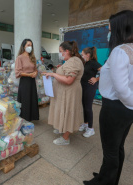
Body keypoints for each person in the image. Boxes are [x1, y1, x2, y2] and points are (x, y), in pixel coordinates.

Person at [84, 10, 133, 185]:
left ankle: (105, 182)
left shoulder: (120, 51)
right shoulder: (131, 49)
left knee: (111, 151)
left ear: (120, 28)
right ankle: (109, 178)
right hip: (125, 109)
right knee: (118, 148)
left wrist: (129, 103)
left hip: (115, 107)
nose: (108, 33)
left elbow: (121, 88)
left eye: (111, 29)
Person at [43, 41, 84, 145]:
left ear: (67, 51)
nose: (60, 54)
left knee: (69, 112)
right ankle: (62, 127)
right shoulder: (71, 60)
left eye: (61, 52)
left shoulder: (74, 61)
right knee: (63, 111)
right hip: (65, 93)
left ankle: (65, 138)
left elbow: (69, 80)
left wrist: (53, 74)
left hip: (70, 93)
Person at [79, 47, 102, 137]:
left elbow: (106, 71)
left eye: (83, 54)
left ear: (88, 55)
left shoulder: (94, 63)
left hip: (90, 87)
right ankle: (85, 123)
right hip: (84, 87)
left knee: (88, 107)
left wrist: (96, 79)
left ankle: (91, 129)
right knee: (84, 106)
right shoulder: (87, 63)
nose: (82, 55)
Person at [15, 38, 39, 121]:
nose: (30, 47)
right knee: (25, 100)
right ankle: (25, 118)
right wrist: (29, 74)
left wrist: (35, 72)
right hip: (25, 81)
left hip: (32, 81)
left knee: (32, 99)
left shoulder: (32, 57)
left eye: (31, 45)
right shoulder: (20, 58)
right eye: (28, 45)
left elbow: (35, 69)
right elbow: (18, 72)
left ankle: (32, 117)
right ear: (24, 46)